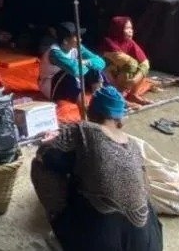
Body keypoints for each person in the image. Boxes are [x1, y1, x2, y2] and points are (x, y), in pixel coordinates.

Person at [31, 85, 163, 251]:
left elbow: (45, 154)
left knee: (40, 165)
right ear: (120, 119)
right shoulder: (133, 145)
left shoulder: (82, 130)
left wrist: (51, 138)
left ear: (90, 113)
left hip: (99, 243)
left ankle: (64, 227)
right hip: (150, 244)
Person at [38, 22, 106, 102]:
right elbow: (75, 70)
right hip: (52, 87)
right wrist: (85, 64)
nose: (80, 39)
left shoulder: (77, 47)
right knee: (69, 75)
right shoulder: (55, 53)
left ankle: (99, 96)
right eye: (76, 37)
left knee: (94, 68)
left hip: (76, 80)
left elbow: (101, 62)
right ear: (65, 41)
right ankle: (83, 103)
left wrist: (85, 62)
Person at [101, 16, 153, 106]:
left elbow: (144, 62)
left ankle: (133, 94)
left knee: (143, 65)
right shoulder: (108, 42)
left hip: (122, 76)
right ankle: (119, 96)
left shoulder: (129, 42)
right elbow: (129, 63)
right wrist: (132, 80)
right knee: (132, 64)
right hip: (108, 75)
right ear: (118, 29)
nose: (130, 31)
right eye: (127, 28)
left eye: (131, 28)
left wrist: (134, 80)